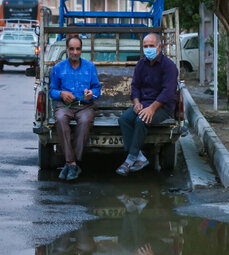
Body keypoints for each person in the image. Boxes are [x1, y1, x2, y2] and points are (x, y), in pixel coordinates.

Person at [116, 33, 178, 176]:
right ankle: (140, 158)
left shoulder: (169, 66)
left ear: (159, 47)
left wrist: (151, 109)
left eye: (151, 46)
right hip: (144, 103)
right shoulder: (141, 64)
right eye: (146, 46)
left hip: (162, 106)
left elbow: (168, 92)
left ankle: (129, 159)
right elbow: (135, 86)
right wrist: (137, 103)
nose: (148, 49)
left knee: (141, 120)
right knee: (124, 119)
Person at [50, 36, 101, 180]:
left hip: (85, 106)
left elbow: (97, 89)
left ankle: (70, 163)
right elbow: (52, 91)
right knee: (59, 118)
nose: (75, 52)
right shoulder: (58, 68)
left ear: (81, 50)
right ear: (67, 50)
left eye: (78, 49)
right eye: (71, 49)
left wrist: (91, 94)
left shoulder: (90, 67)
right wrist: (61, 93)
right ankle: (73, 164)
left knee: (85, 122)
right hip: (65, 106)